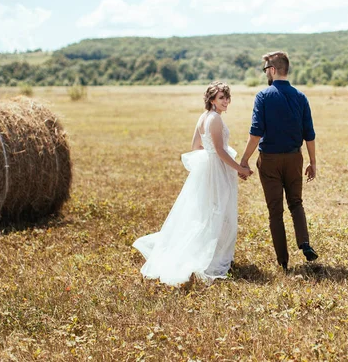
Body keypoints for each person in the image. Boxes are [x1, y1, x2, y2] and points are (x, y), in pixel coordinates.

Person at [133, 81, 252, 286]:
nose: (226, 101)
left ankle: (215, 254)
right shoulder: (214, 119)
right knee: (220, 214)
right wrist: (239, 168)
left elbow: (195, 146)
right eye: (221, 98)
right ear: (212, 99)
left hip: (210, 169)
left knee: (209, 212)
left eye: (227, 97)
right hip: (216, 171)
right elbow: (220, 151)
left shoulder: (203, 117)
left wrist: (208, 162)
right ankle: (214, 259)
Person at [239, 51, 318, 271]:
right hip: (295, 158)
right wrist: (312, 162)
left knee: (275, 211)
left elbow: (256, 133)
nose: (266, 73)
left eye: (265, 69)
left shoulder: (263, 96)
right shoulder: (301, 97)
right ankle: (304, 243)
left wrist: (244, 159)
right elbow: (309, 134)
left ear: (272, 70)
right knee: (296, 203)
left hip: (270, 161)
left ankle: (283, 262)